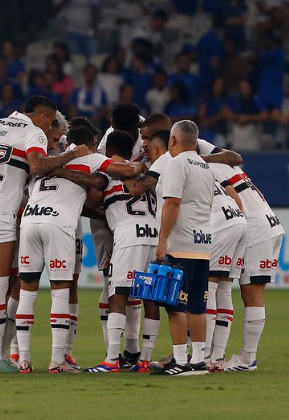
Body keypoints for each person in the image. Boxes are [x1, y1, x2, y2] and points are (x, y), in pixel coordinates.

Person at [0, 95, 91, 374]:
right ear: (43, 117)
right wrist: (71, 155)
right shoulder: (33, 133)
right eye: (51, 121)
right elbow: (38, 167)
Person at [16, 125, 145, 374]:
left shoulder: (46, 161)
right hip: (59, 224)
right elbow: (127, 170)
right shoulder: (92, 158)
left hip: (30, 221)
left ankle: (23, 359)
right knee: (61, 292)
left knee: (27, 292)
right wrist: (144, 166)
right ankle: (57, 361)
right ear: (94, 141)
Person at [85, 130, 158, 374]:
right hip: (153, 236)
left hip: (128, 237)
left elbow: (92, 203)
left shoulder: (108, 173)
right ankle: (145, 360)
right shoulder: (145, 172)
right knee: (150, 296)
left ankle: (112, 359)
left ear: (107, 151)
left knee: (118, 294)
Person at [151, 120, 214, 376]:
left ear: (173, 141)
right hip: (202, 244)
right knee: (197, 305)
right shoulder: (206, 167)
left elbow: (172, 204)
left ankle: (179, 361)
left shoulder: (176, 164)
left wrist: (162, 240)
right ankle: (198, 360)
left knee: (175, 305)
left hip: (180, 243)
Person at [210, 162, 285, 372]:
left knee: (251, 293)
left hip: (255, 228)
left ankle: (247, 359)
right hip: (270, 223)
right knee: (253, 292)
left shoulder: (206, 167)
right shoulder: (228, 166)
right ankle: (242, 356)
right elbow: (235, 156)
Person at [204, 162, 248, 372]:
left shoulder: (178, 167)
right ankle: (218, 357)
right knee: (225, 288)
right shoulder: (212, 169)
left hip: (220, 224)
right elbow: (238, 200)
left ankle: (203, 357)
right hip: (239, 221)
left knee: (209, 286)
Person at [224, 80, 268, 151]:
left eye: (246, 87)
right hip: (237, 128)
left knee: (253, 151)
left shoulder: (255, 99)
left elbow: (264, 115)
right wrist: (238, 117)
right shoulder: (235, 99)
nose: (244, 89)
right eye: (242, 87)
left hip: (252, 129)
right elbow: (226, 113)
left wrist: (249, 118)